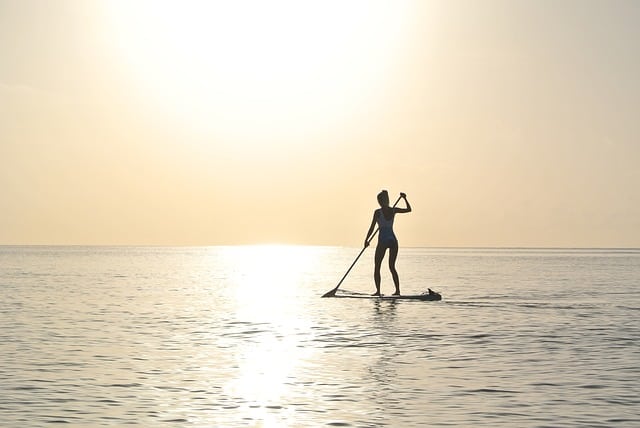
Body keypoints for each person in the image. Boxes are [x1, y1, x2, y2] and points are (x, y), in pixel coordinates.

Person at [364, 190, 412, 296]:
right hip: (393, 240)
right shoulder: (393, 210)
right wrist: (404, 198)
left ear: (380, 201)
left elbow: (372, 227)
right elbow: (409, 209)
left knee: (377, 266)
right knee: (392, 266)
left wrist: (366, 240)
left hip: (383, 240)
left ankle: (378, 292)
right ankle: (397, 291)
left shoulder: (377, 212)